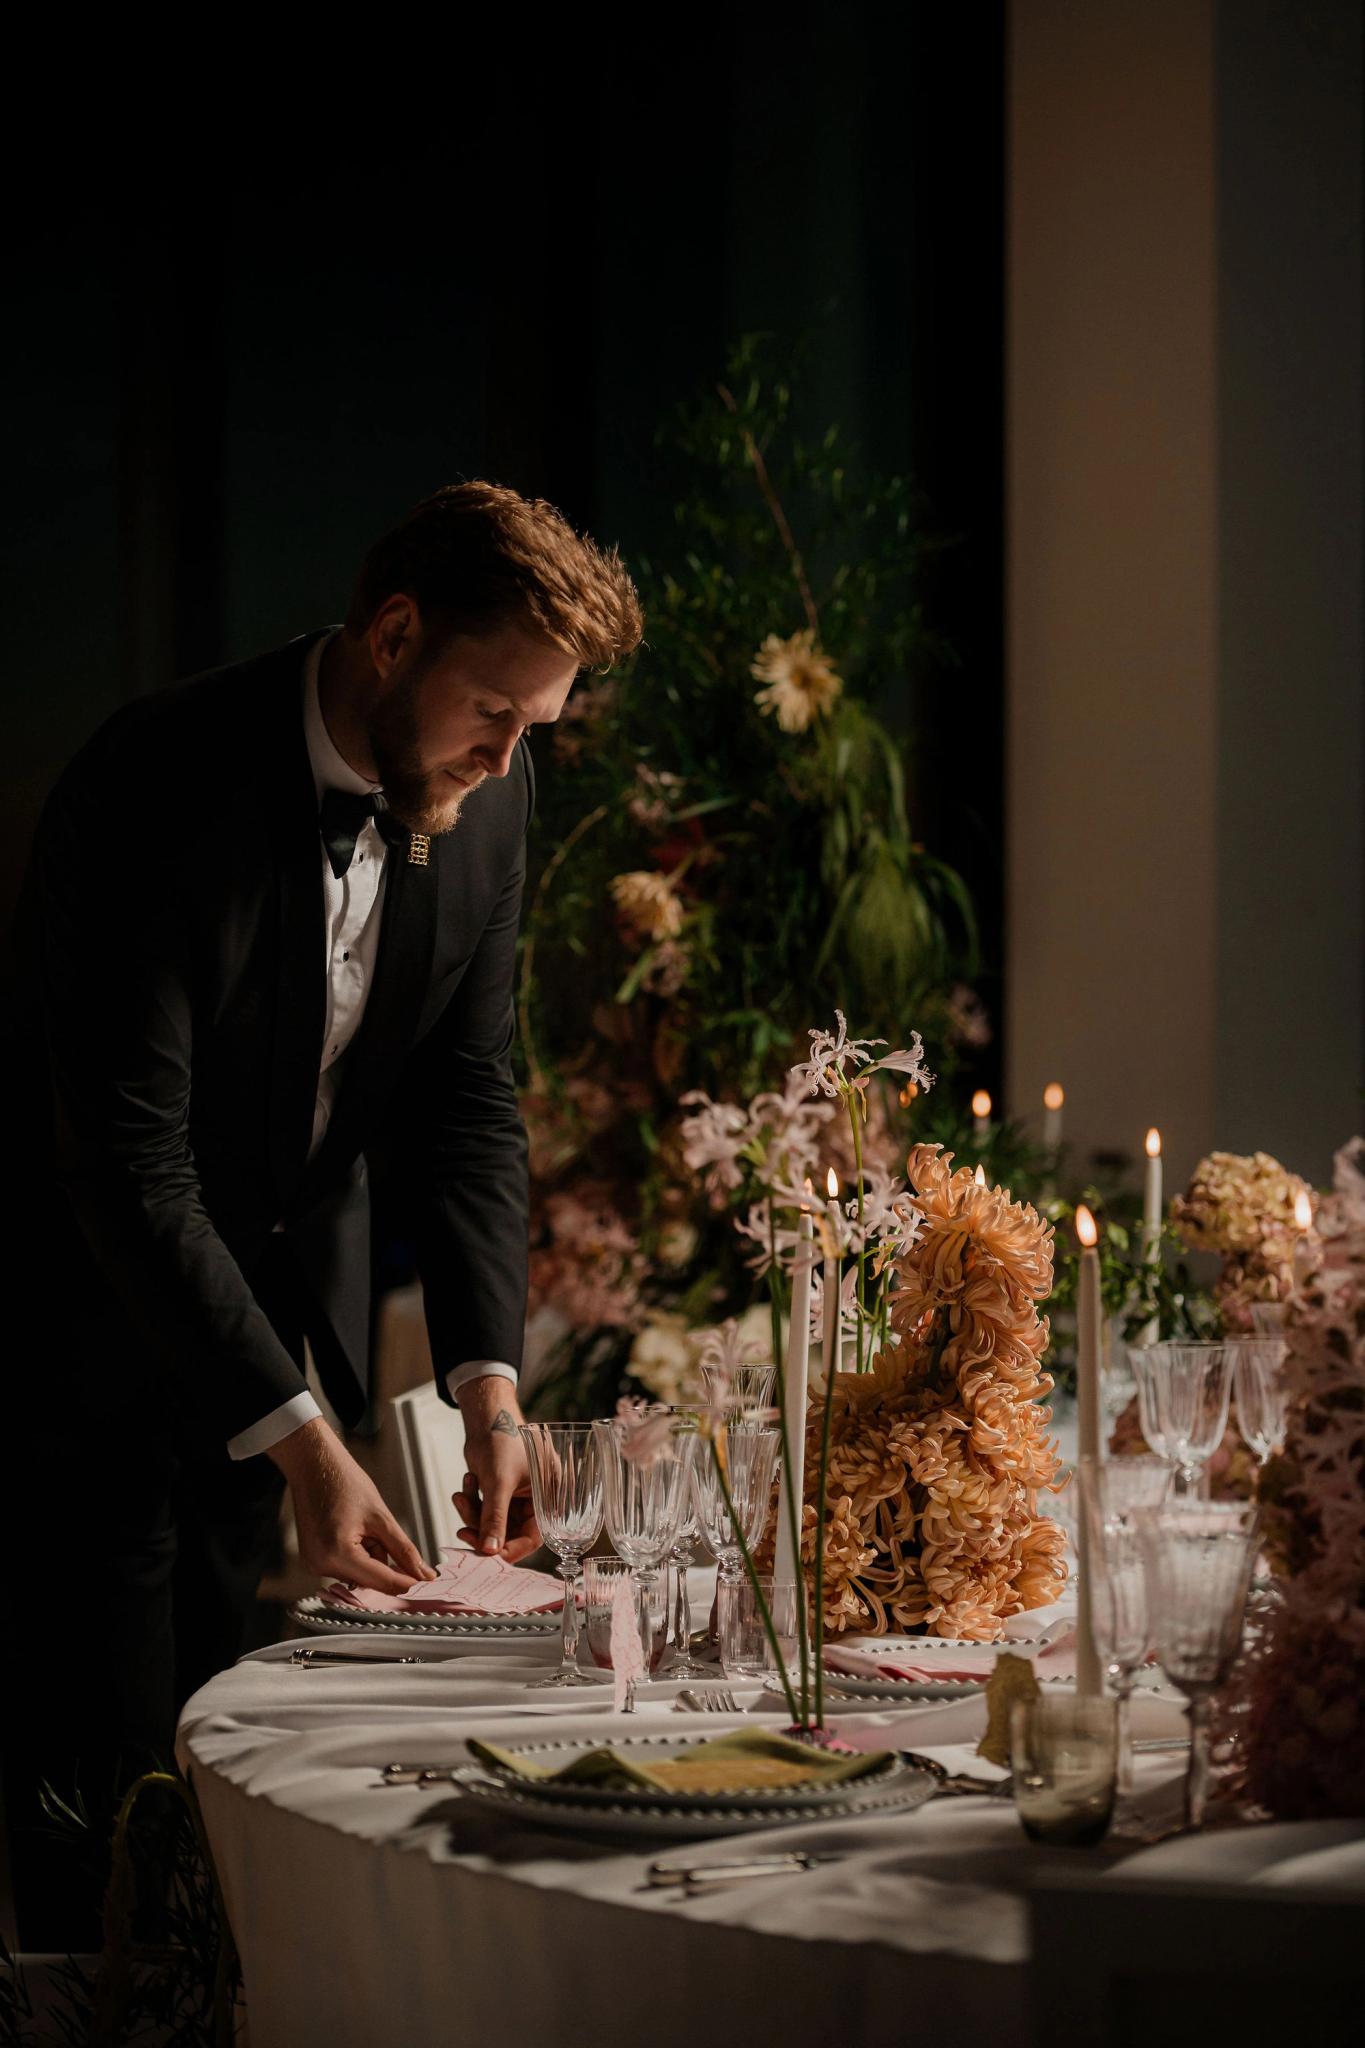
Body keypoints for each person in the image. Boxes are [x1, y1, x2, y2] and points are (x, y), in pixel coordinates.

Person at [1, 481, 643, 1943]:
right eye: (494, 710)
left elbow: (468, 1092)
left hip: (278, 1333)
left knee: (219, 1777)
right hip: (80, 1337)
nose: (508, 754)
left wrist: (488, 1385)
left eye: (535, 726)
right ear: (394, 633)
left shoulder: (495, 792)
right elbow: (127, 1158)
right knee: (91, 1803)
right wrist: (301, 1437)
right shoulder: (152, 781)